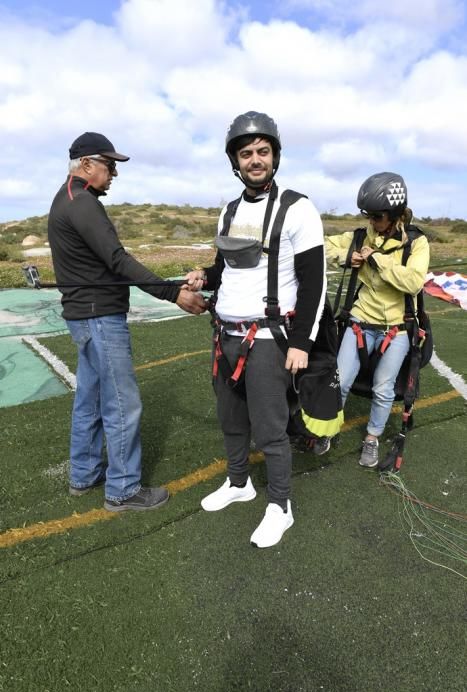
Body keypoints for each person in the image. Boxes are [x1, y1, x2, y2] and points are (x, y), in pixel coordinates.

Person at [185, 111, 327, 547]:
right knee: (231, 419)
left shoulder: (299, 208)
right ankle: (239, 483)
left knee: (270, 427)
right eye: (246, 153)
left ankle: (280, 505)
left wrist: (301, 342)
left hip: (267, 338)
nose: (255, 159)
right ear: (236, 161)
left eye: (262, 151)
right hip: (224, 334)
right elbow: (225, 267)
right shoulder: (228, 211)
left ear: (275, 155)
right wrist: (203, 277)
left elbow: (314, 282)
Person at [48, 131, 206, 512]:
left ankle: (84, 475)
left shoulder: (66, 199)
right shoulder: (82, 203)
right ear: (86, 165)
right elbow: (118, 261)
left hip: (85, 318)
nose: (114, 172)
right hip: (99, 318)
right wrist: (174, 292)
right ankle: (122, 489)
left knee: (90, 400)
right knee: (122, 403)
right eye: (109, 164)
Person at [314, 172, 430, 467]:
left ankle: (372, 438)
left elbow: (414, 282)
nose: (372, 223)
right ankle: (328, 428)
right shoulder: (360, 237)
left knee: (383, 388)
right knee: (338, 383)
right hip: (360, 320)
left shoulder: (416, 242)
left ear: (394, 215)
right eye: (368, 216)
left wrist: (376, 258)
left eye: (377, 217)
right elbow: (323, 245)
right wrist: (347, 256)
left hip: (398, 328)